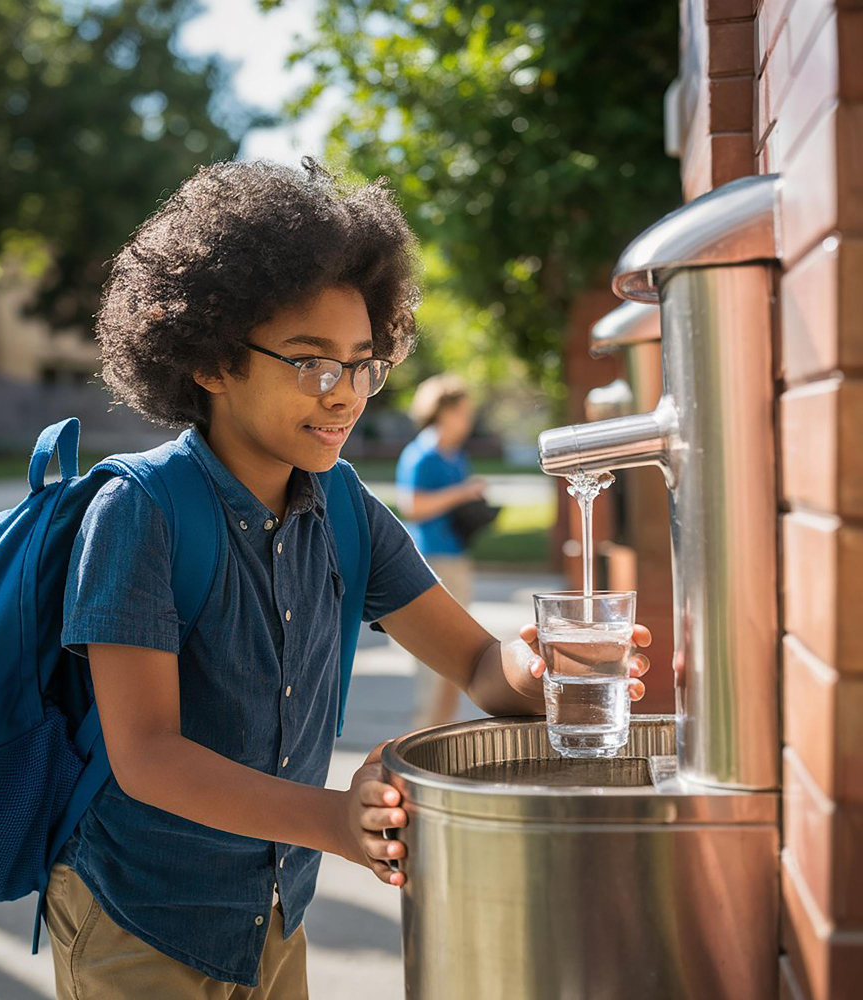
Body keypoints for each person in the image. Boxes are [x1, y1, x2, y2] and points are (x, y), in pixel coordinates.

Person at [44, 157, 651, 999]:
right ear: (212, 361)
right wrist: (339, 820)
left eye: (364, 363)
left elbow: (479, 663)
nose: (347, 395)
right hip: (141, 919)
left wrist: (555, 669)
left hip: (273, 913)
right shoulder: (140, 514)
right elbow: (147, 756)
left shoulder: (342, 507)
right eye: (310, 361)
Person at [395, 375, 485, 728]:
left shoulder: (455, 456)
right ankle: (418, 747)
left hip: (456, 558)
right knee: (434, 665)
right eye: (462, 413)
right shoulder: (423, 454)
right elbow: (412, 506)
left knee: (460, 663)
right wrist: (463, 493)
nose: (468, 421)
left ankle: (443, 738)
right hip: (431, 562)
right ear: (443, 413)